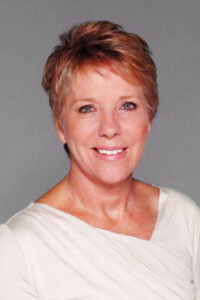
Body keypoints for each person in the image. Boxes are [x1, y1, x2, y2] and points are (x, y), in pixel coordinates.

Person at [0, 20, 199, 300]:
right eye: (87, 108)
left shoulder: (183, 218)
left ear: (149, 116)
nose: (109, 127)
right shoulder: (18, 247)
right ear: (60, 126)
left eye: (127, 105)